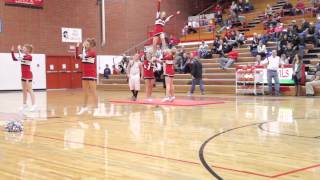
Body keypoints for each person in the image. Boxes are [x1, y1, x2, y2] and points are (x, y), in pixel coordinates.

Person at [76, 38, 101, 116]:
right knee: (85, 92)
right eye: (84, 43)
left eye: (86, 43)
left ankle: (97, 108)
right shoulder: (85, 52)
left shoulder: (92, 52)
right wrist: (77, 47)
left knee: (93, 92)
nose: (85, 44)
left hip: (91, 75)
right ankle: (84, 107)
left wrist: (83, 48)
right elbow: (77, 57)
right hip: (85, 74)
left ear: (90, 45)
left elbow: (85, 56)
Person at [11, 44, 37, 112]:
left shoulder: (29, 56)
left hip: (28, 76)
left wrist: (19, 50)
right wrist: (12, 52)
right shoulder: (23, 56)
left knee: (30, 90)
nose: (23, 49)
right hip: (23, 76)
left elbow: (22, 57)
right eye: (22, 48)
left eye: (24, 48)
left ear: (28, 50)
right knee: (24, 90)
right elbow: (14, 59)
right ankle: (24, 104)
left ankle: (34, 105)